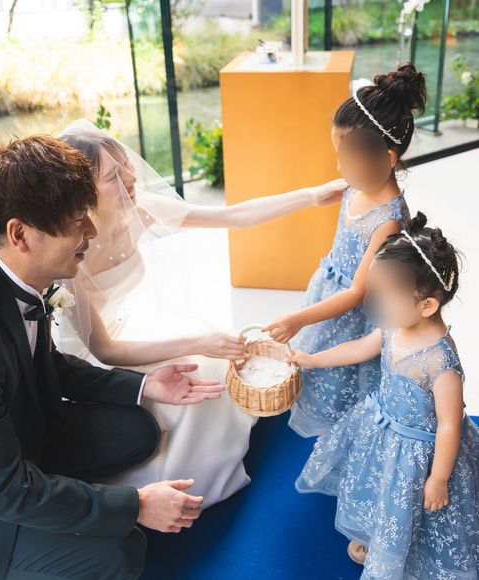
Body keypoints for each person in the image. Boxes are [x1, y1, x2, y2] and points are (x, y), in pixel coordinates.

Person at [0, 135, 224, 580]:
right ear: (20, 234)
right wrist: (136, 505)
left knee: (139, 430)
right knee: (120, 552)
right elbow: (3, 490)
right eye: (76, 222)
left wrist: (145, 384)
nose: (91, 231)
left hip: (16, 433)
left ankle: (54, 494)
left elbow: (48, 363)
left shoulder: (12, 271)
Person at [54, 119, 348, 506]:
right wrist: (197, 343)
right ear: (83, 192)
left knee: (213, 360)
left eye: (126, 165)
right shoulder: (67, 251)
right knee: (198, 367)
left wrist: (311, 195)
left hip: (127, 330)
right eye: (114, 176)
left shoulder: (139, 209)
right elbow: (104, 350)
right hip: (90, 360)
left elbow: (234, 217)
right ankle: (184, 484)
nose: (131, 178)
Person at [290, 213, 479, 578]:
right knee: (379, 490)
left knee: (412, 503)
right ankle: (376, 537)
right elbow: (360, 348)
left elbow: (450, 424)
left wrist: (439, 478)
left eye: (387, 298)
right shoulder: (394, 326)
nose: (378, 307)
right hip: (384, 434)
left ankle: (401, 553)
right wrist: (312, 359)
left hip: (421, 454)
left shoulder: (441, 362)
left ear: (426, 305)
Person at [264, 62, 424, 437]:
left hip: (353, 311)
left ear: (387, 158)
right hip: (329, 289)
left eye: (346, 158)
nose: (339, 167)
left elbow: (356, 292)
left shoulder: (388, 220)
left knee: (339, 378)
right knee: (314, 360)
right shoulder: (358, 183)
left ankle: (339, 437)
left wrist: (299, 319)